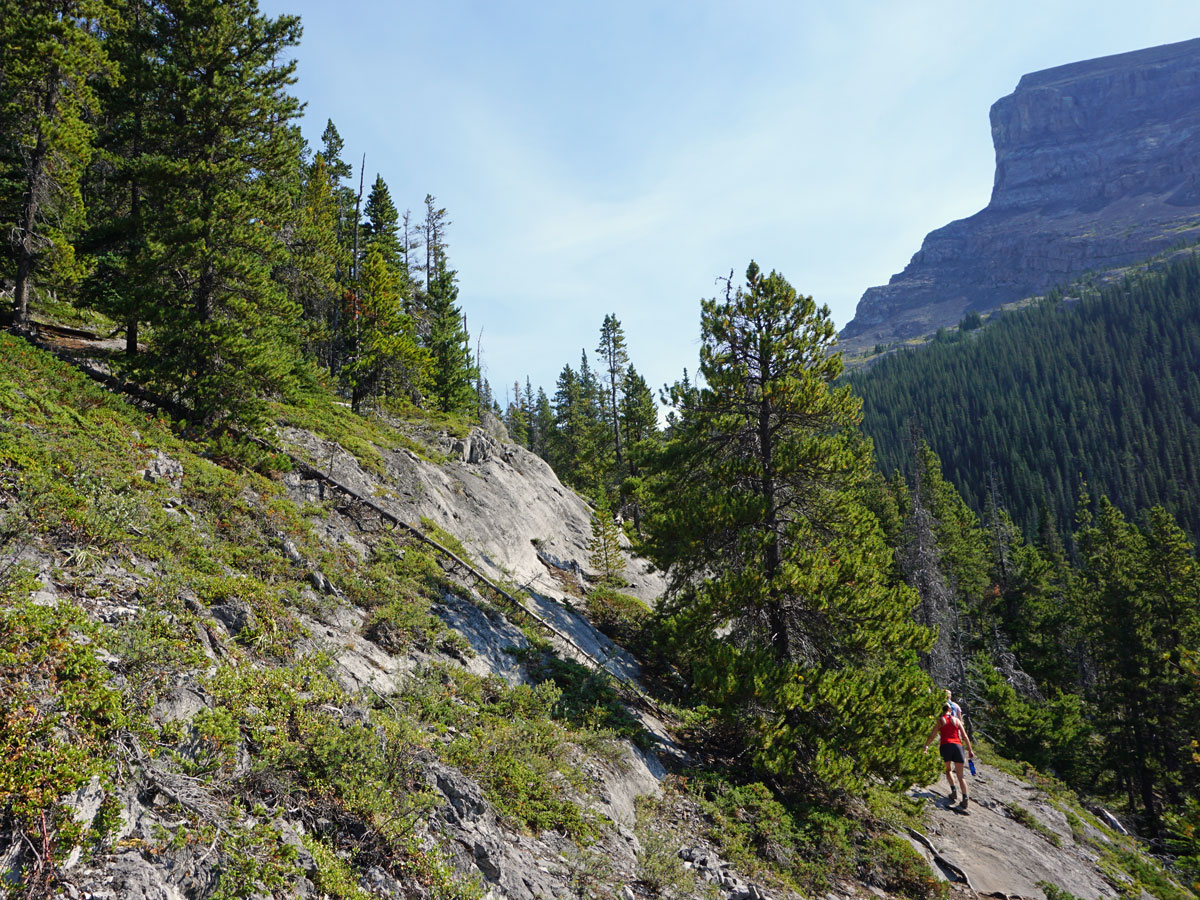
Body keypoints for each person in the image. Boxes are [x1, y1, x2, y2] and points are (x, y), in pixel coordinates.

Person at [924, 702, 975, 810]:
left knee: (948, 770)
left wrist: (926, 746)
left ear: (942, 710)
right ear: (951, 710)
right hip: (958, 746)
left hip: (946, 746)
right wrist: (970, 750)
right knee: (961, 776)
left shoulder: (940, 720)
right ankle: (965, 798)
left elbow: (932, 735)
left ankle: (954, 791)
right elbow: (965, 736)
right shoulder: (957, 720)